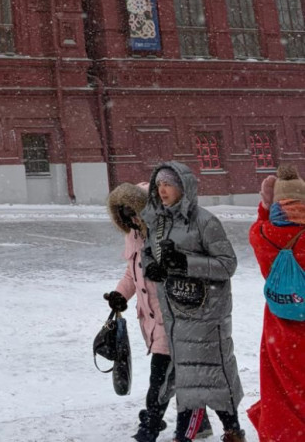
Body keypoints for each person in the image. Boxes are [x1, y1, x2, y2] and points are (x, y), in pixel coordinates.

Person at [142, 162, 245, 442]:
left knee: (209, 375)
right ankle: (230, 431)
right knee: (193, 377)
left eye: (169, 185)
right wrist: (152, 266)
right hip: (176, 312)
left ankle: (193, 434)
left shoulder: (205, 221)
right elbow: (148, 252)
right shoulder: (158, 222)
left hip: (206, 314)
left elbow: (227, 265)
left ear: (183, 188)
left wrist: (186, 263)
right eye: (159, 185)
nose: (162, 191)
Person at [105, 183, 214, 442]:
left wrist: (166, 273)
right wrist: (121, 294)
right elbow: (133, 272)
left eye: (135, 213)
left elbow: (196, 271)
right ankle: (200, 425)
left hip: (177, 316)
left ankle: (149, 429)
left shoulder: (173, 233)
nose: (132, 219)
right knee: (177, 375)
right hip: (152, 318)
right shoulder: (133, 234)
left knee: (160, 376)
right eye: (125, 215)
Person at [247, 163, 305, 442]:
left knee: (279, 387)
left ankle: (284, 432)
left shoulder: (262, 236)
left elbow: (258, 224)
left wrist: (265, 206)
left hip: (278, 326)